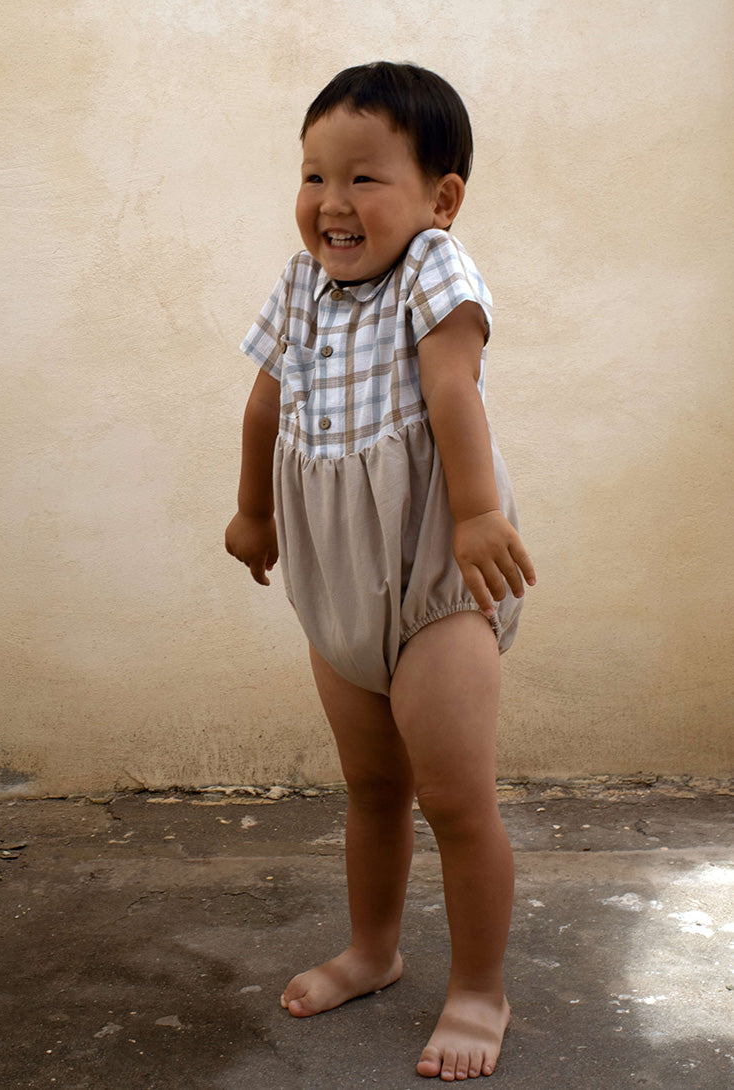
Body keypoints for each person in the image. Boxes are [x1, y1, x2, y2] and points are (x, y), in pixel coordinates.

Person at [224, 62, 536, 1081]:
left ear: (439, 198)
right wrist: (255, 510)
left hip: (437, 574)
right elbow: (265, 408)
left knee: (452, 795)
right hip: (334, 579)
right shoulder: (298, 285)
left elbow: (453, 392)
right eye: (314, 174)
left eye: (364, 178)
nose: (331, 202)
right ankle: (374, 948)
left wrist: (480, 511)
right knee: (369, 785)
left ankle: (480, 987)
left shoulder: (435, 271)